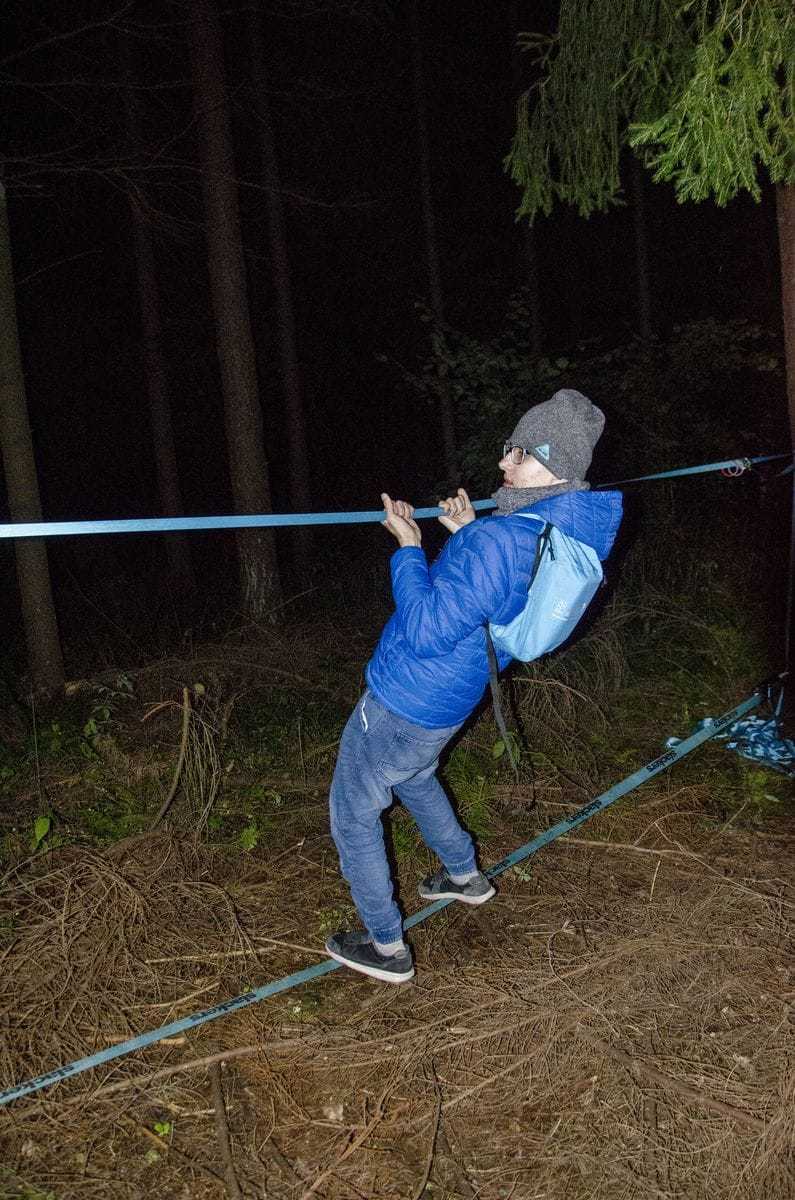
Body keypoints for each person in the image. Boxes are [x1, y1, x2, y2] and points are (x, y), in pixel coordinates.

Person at [325, 389, 623, 983]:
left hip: (406, 696)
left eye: (521, 453)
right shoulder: (554, 529)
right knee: (415, 775)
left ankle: (386, 946)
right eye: (510, 447)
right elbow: (492, 590)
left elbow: (425, 628)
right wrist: (465, 533)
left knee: (352, 811)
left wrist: (410, 548)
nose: (503, 461)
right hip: (454, 697)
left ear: (555, 468)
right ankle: (464, 876)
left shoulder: (500, 539)